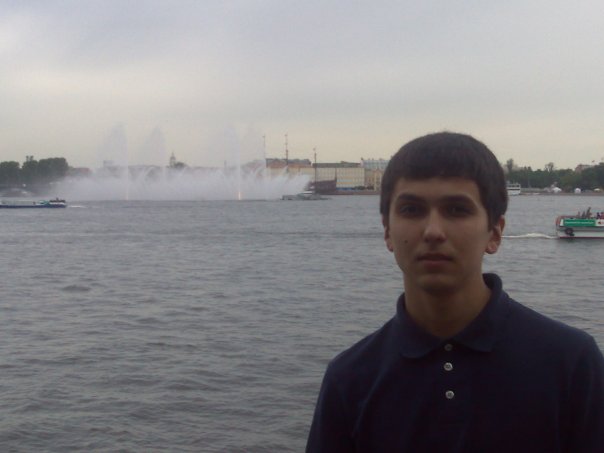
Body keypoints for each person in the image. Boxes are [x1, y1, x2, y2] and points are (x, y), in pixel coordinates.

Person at [306, 132, 604, 452]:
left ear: (495, 232)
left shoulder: (572, 364)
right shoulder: (349, 380)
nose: (433, 231)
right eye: (411, 209)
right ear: (388, 231)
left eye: (457, 210)